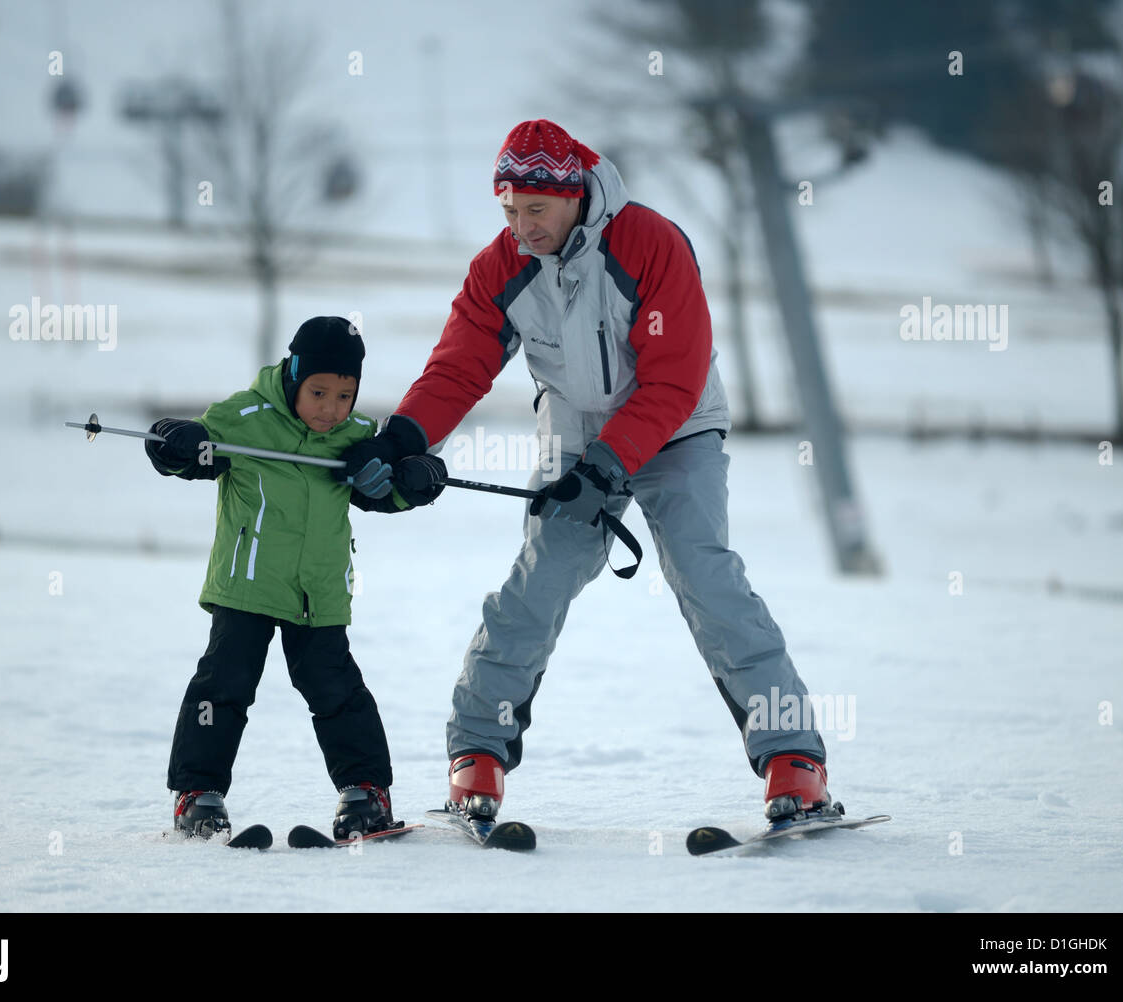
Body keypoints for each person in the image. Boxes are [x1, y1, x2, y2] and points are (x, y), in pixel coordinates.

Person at [336, 120, 832, 827]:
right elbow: (460, 364)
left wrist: (610, 465)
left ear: (574, 195)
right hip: (575, 436)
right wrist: (402, 439)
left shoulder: (651, 244)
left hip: (678, 427)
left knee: (702, 571)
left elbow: (674, 376)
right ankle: (477, 751)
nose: (523, 227)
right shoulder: (499, 268)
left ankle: (794, 758)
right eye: (509, 212)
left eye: (536, 210)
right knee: (541, 575)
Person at [147, 316, 446, 840]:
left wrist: (416, 481)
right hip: (248, 586)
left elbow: (383, 493)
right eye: (319, 392)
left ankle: (365, 793)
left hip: (319, 593)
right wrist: (173, 444)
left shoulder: (355, 440)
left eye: (345, 395)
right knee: (224, 687)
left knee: (337, 690)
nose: (331, 409)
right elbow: (192, 455)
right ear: (293, 378)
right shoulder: (242, 418)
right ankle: (197, 796)